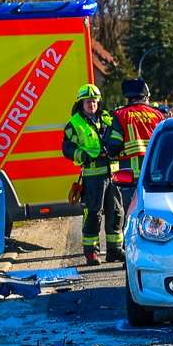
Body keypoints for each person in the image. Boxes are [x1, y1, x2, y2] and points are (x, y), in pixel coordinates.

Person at [61, 84, 124, 266]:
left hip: (112, 174)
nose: (92, 105)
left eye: (95, 102)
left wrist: (112, 148)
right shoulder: (74, 124)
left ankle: (114, 250)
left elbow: (117, 137)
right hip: (93, 175)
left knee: (116, 212)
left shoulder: (107, 119)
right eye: (88, 102)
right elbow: (67, 148)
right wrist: (85, 156)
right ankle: (91, 253)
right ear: (81, 103)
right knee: (93, 213)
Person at [113, 79, 166, 195]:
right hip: (157, 176)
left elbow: (113, 145)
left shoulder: (121, 115)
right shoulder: (158, 115)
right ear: (145, 96)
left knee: (133, 211)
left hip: (131, 179)